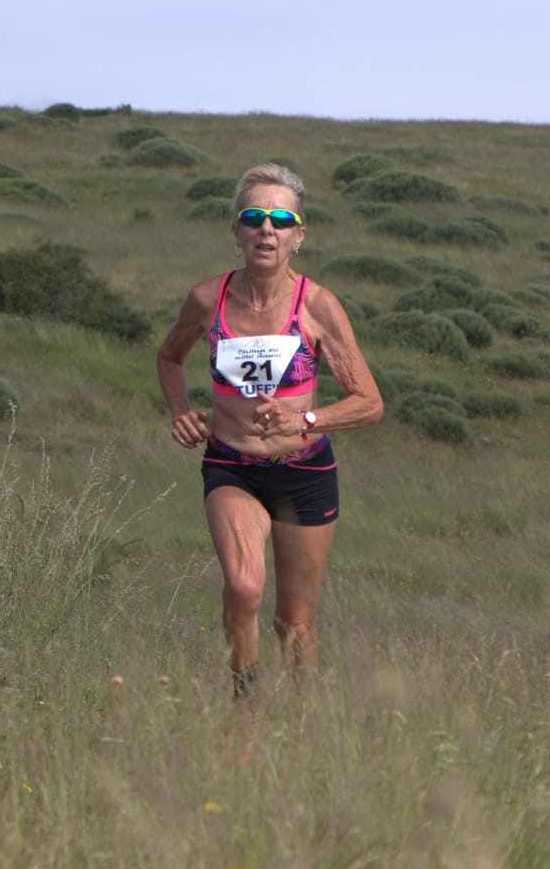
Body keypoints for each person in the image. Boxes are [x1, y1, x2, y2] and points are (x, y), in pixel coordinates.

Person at [155, 163, 383, 698]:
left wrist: (303, 419)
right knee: (243, 585)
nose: (267, 229)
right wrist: (180, 410)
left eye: (281, 219)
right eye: (254, 217)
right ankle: (246, 712)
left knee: (295, 623)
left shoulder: (318, 305)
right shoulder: (207, 299)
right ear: (235, 230)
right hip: (233, 465)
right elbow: (169, 357)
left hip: (304, 472)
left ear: (298, 236)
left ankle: (302, 729)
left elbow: (369, 403)